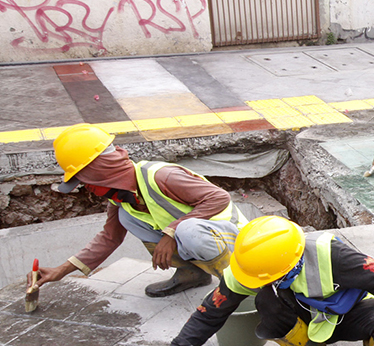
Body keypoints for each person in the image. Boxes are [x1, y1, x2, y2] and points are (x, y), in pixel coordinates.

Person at [127, 216, 374, 346]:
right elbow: (208, 315)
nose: (252, 283)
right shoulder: (252, 267)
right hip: (305, 318)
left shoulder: (330, 254)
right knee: (267, 302)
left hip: (350, 315)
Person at [31, 123, 246, 298]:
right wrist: (61, 270)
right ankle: (193, 274)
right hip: (200, 241)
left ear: (99, 172)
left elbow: (219, 197)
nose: (87, 189)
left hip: (238, 244)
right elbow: (110, 238)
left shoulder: (161, 176)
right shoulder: (119, 200)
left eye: (85, 182)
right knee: (127, 218)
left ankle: (239, 287)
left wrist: (171, 232)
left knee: (187, 230)